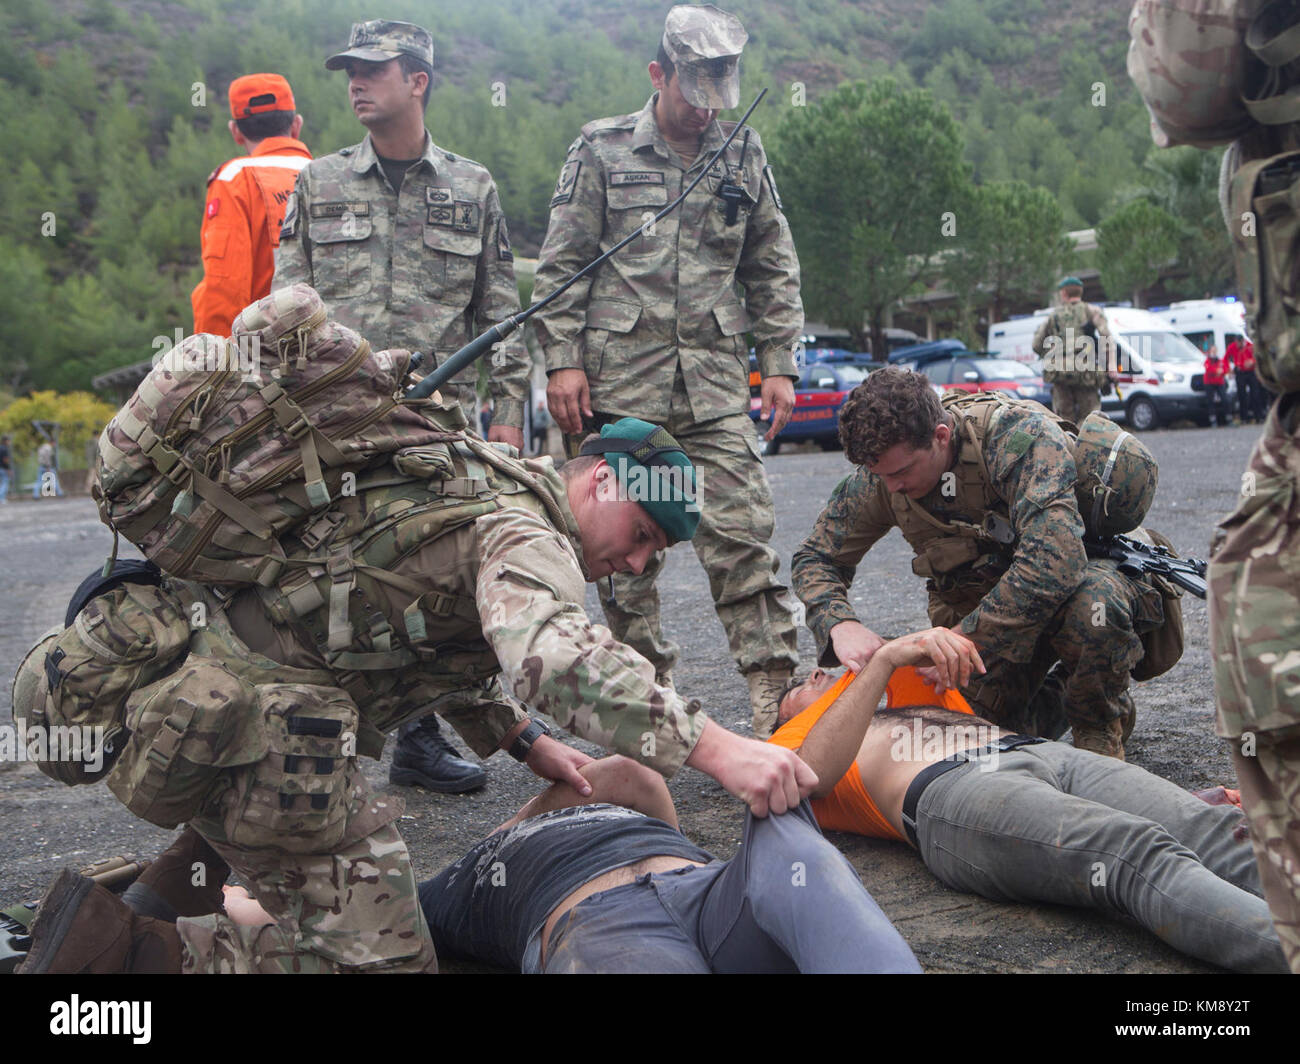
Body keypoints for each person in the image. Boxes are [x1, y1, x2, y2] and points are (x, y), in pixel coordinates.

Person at [16, 418, 816, 975]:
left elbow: (431, 622)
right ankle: (113, 960)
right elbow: (556, 658)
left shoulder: (472, 473)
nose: (639, 564)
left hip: (216, 688)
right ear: (602, 480)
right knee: (387, 962)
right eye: (642, 534)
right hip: (261, 728)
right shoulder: (527, 529)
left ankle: (161, 895)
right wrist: (720, 749)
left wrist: (522, 740)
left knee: (273, 836)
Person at [274, 19, 534, 792]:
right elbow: (282, 307)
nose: (355, 83)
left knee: (427, 582)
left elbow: (501, 314)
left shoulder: (472, 186)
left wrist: (510, 411)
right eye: (349, 71)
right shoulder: (317, 184)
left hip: (434, 426)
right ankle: (316, 744)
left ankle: (424, 735)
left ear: (417, 81)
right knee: (324, 580)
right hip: (335, 424)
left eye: (373, 70)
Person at [531, 3, 803, 735]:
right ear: (658, 74)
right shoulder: (601, 148)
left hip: (713, 385)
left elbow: (771, 262)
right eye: (692, 91)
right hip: (624, 388)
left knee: (743, 538)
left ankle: (774, 697)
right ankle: (650, 700)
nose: (704, 112)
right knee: (628, 556)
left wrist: (779, 363)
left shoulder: (742, 150)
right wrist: (561, 361)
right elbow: (563, 264)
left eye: (719, 92)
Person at [764, 642, 1288, 973]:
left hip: (1041, 753)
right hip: (956, 790)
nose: (822, 677)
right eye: (810, 682)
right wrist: (881, 661)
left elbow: (924, 653)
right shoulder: (791, 742)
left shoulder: (899, 701)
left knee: (1216, 828)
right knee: (1134, 854)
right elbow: (813, 777)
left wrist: (882, 655)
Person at [214, 754, 919, 975]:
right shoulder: (463, 880)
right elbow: (366, 918)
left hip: (705, 889)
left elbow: (628, 775)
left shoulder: (599, 808)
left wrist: (522, 817)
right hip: (597, 925)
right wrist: (250, 905)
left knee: (787, 839)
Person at [792, 367, 1163, 759]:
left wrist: (967, 640)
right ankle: (1066, 693)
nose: (891, 487)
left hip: (1068, 595)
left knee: (1094, 608)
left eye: (900, 472)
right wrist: (838, 622)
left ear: (940, 436)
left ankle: (1100, 725)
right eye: (878, 474)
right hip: (991, 618)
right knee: (965, 741)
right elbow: (815, 556)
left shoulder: (1019, 438)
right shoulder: (885, 475)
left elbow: (1055, 563)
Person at [190, 74, 312, 336]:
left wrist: (211, 366)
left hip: (269, 357)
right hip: (340, 353)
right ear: (296, 125)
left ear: (235, 132)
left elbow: (225, 287)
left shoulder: (235, 179)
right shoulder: (332, 175)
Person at [1032, 275, 1117, 426]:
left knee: (1064, 421)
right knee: (1090, 419)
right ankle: (1086, 447)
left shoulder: (1053, 317)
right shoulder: (1091, 311)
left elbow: (1036, 345)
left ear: (1064, 293)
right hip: (1086, 373)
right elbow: (1107, 338)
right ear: (1080, 292)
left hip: (1060, 374)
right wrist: (1111, 368)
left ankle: (1068, 446)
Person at [1228, 336, 1266, 424]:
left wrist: (1252, 361)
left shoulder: (1250, 346)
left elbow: (1258, 357)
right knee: (1242, 395)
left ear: (1242, 341)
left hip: (1251, 372)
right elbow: (1226, 358)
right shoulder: (1232, 347)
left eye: (1239, 343)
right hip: (1240, 372)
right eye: (1237, 343)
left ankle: (1258, 416)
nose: (1238, 345)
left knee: (1255, 394)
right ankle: (1244, 418)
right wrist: (1229, 370)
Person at [1203, 343, 1231, 426]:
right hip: (1209, 383)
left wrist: (1222, 371)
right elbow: (1208, 369)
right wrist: (1216, 371)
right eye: (1213, 350)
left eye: (1215, 351)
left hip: (1219, 382)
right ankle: (1213, 420)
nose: (1214, 352)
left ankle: (1228, 418)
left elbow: (1225, 368)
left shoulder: (1220, 361)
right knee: (1210, 401)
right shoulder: (1207, 361)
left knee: (1225, 399)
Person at [0, 434, 11, 503]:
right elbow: (5, 460)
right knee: (5, 483)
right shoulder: (5, 449)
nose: (9, 442)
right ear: (5, 441)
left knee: (2, 483)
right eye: (8, 441)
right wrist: (8, 469)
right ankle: (1, 498)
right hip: (3, 468)